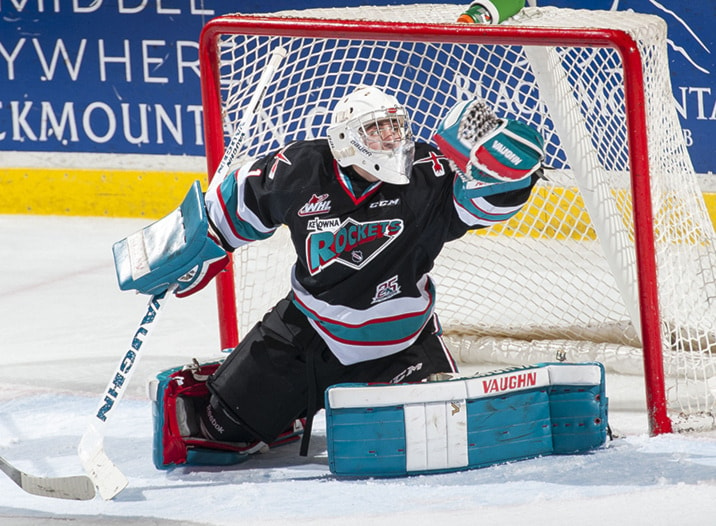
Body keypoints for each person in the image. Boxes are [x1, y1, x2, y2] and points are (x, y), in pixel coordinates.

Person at [119, 85, 545, 460]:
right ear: (346, 140)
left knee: (417, 447)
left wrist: (506, 175)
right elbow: (229, 208)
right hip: (305, 332)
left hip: (400, 344)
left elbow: (484, 203)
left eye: (397, 126)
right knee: (212, 436)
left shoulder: (429, 175)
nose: (393, 138)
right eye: (378, 129)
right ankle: (288, 409)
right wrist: (190, 250)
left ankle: (323, 400)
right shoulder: (299, 170)